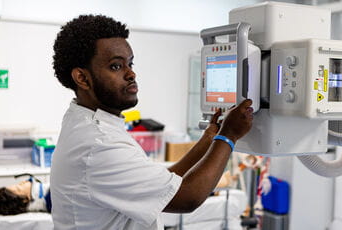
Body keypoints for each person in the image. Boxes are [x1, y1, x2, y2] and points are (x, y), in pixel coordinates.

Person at [50, 14, 253, 230]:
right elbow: (187, 197)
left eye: (130, 63)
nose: (131, 74)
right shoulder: (98, 144)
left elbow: (166, 184)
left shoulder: (88, 122)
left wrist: (209, 139)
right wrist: (228, 136)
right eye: (116, 66)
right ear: (82, 78)